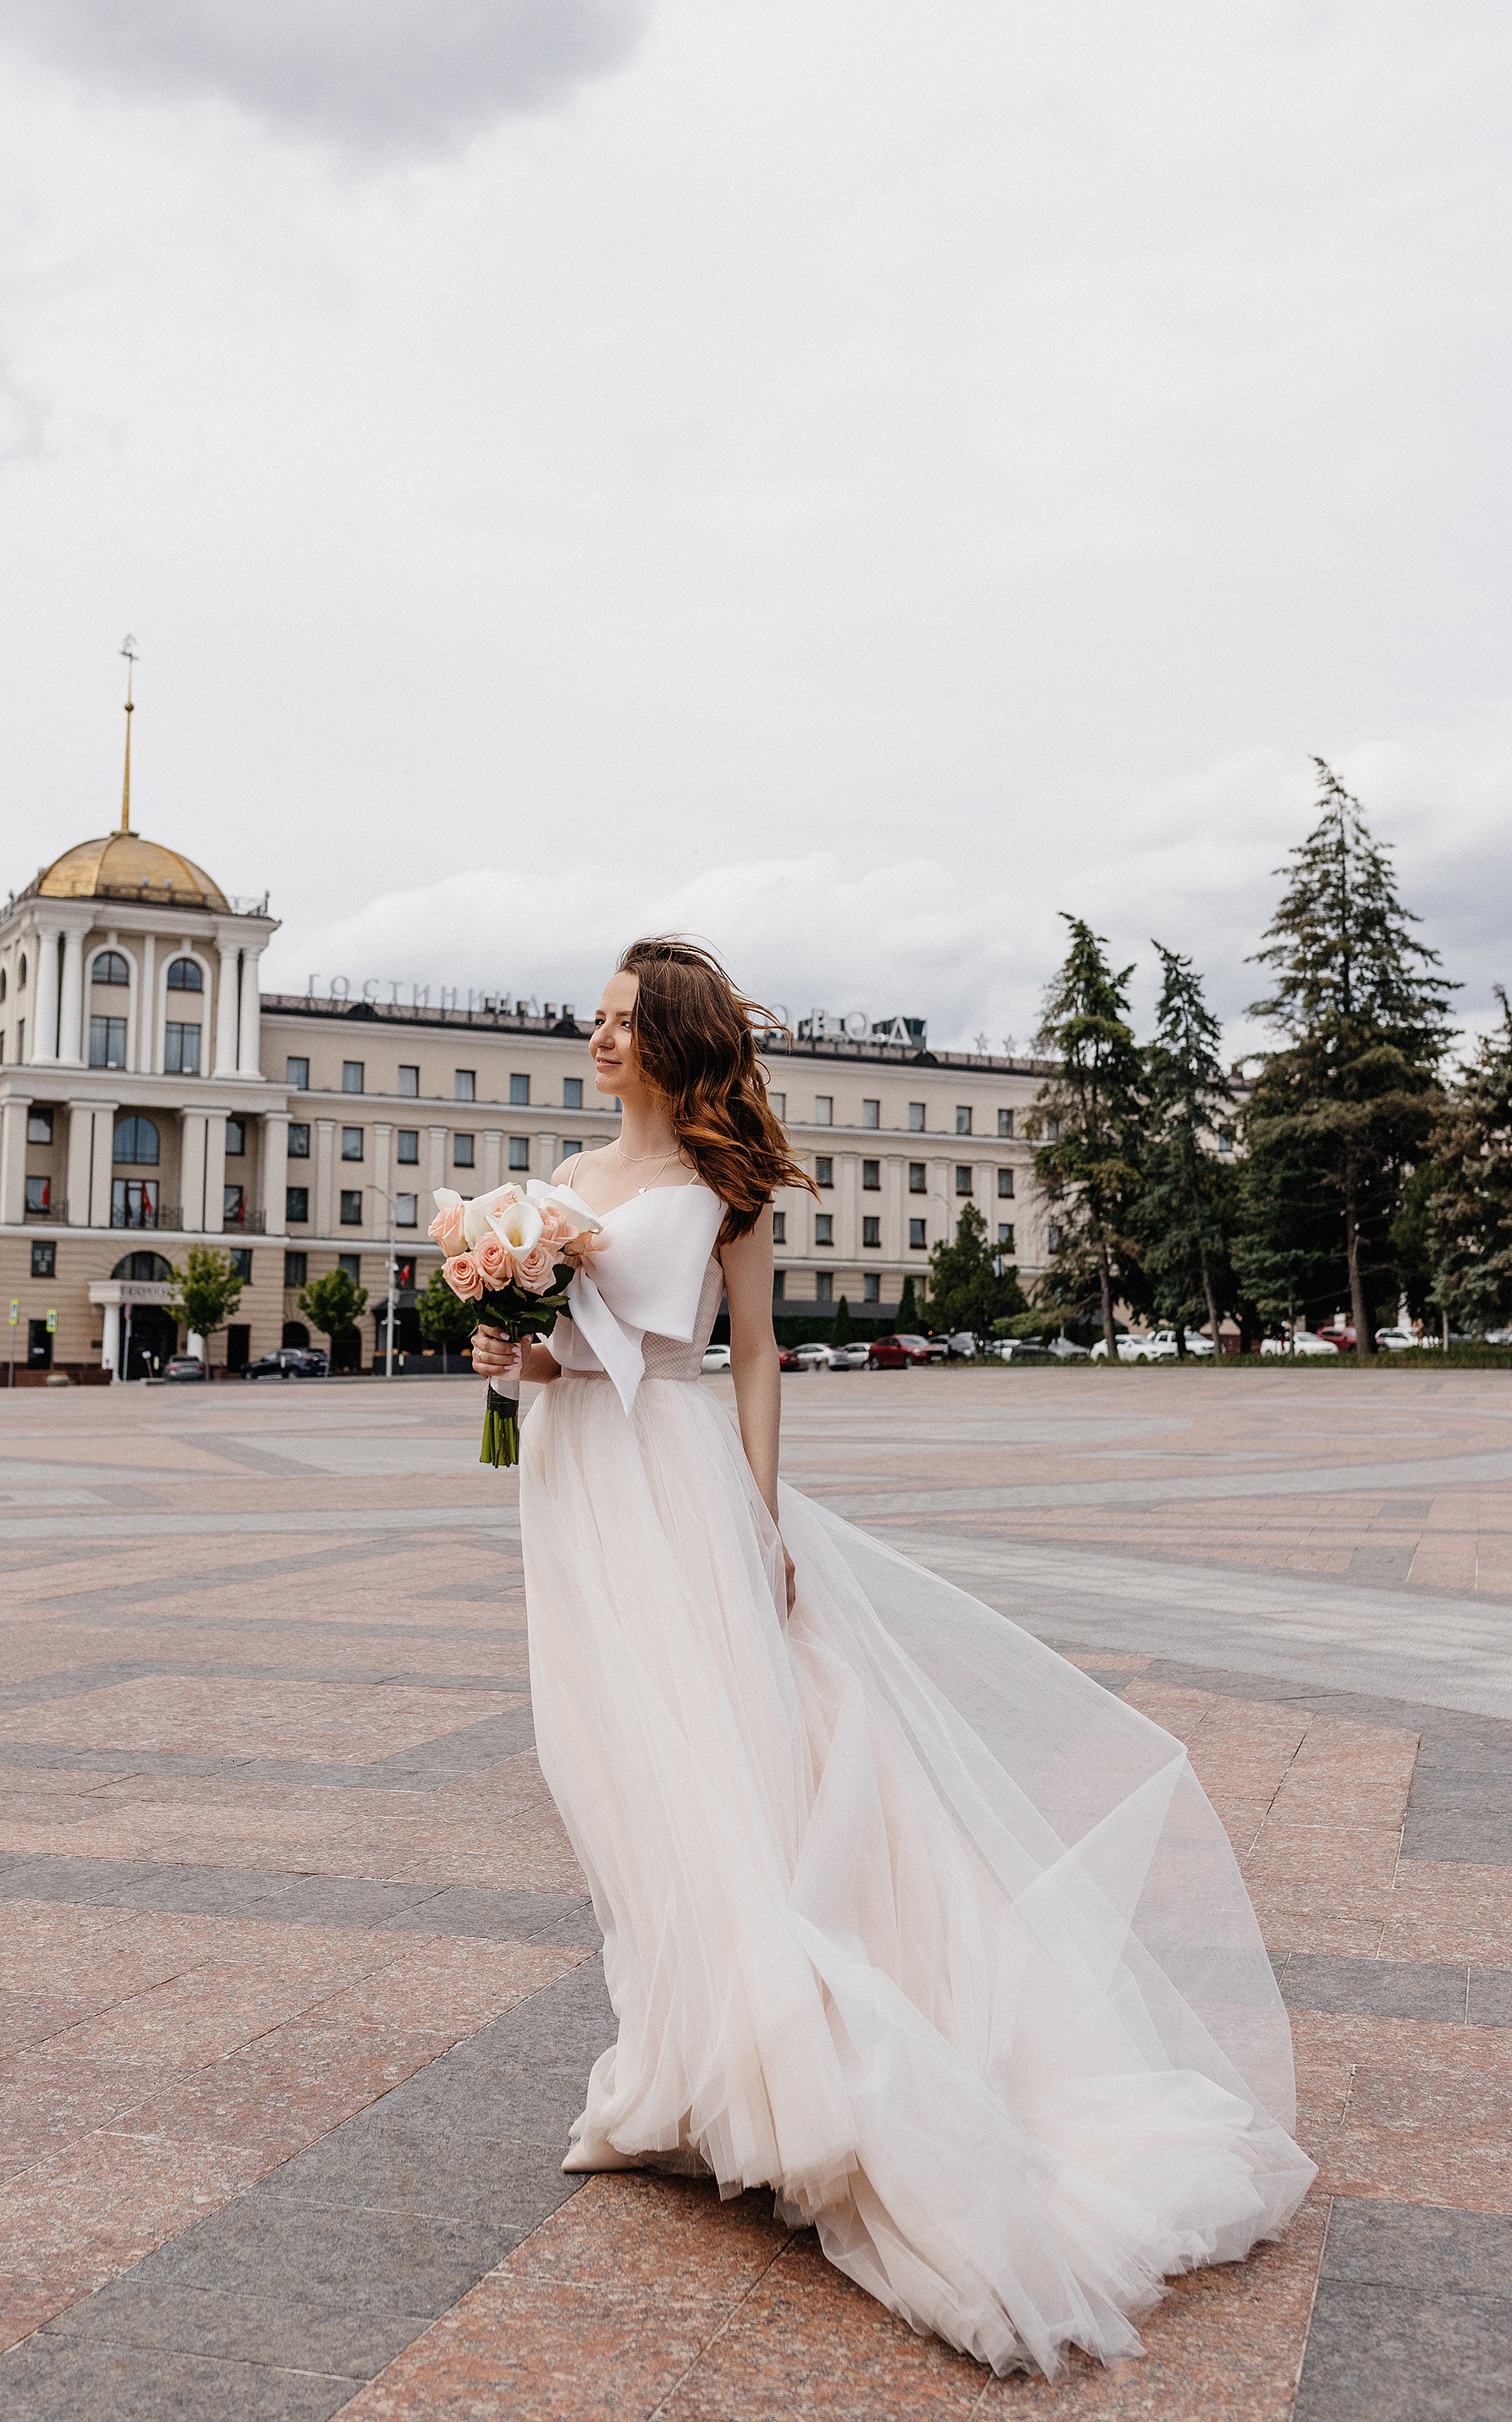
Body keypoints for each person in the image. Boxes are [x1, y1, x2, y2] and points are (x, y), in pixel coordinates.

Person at [470, 937, 1314, 2380]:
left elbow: (746, 1357)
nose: (598, 1038)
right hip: (575, 1490)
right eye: (594, 1020)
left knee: (714, 1772)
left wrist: (756, 1514)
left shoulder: (724, 1190)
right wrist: (515, 1360)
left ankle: (774, 2083)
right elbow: (564, 1347)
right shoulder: (557, 1182)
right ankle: (677, 2069)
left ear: (675, 1042)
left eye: (623, 1023)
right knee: (609, 1769)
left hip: (675, 1488)